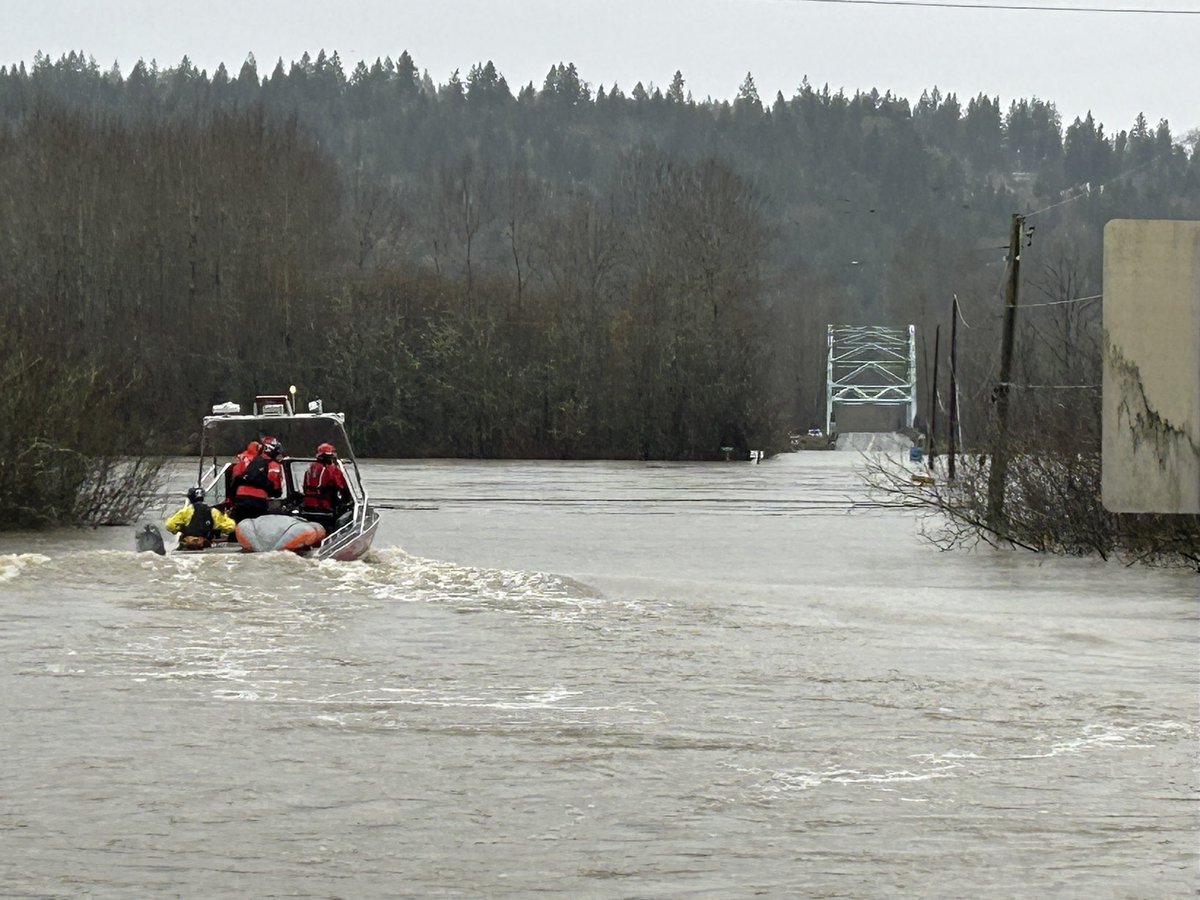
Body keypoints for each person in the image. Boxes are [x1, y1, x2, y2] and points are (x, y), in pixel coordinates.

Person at [165, 486, 236, 550]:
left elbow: (169, 525)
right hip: (204, 544)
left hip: (188, 544)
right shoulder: (213, 512)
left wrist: (180, 529)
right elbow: (231, 526)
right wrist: (224, 517)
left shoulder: (185, 511)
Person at [231, 436, 284, 522]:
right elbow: (275, 488)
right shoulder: (274, 465)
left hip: (240, 498)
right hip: (259, 500)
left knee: (238, 525)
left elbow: (235, 475)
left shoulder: (246, 459)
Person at [301, 442, 350, 527]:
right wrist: (347, 500)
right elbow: (342, 487)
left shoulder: (310, 469)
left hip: (307, 506)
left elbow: (305, 488)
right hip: (324, 506)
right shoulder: (332, 470)